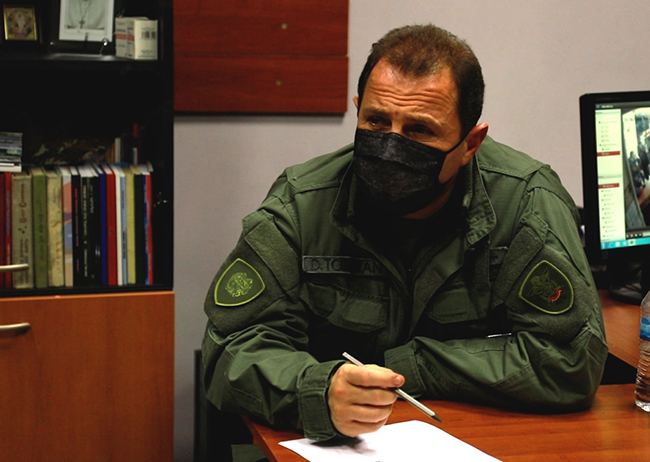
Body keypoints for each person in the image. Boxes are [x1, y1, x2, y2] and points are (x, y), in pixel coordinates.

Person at [201, 24, 608, 441]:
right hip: (334, 443)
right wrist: (319, 391)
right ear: (358, 110)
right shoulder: (303, 203)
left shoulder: (525, 202)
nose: (391, 147)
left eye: (419, 130)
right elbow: (228, 350)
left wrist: (411, 367)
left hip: (474, 439)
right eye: (376, 122)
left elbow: (570, 359)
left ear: (470, 143)